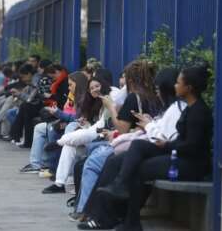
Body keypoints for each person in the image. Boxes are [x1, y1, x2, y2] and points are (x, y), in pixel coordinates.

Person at [81, 65, 213, 231]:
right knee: (137, 146)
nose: (175, 86)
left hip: (190, 164)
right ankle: (122, 197)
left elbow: (192, 146)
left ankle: (129, 219)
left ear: (189, 88)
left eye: (178, 83)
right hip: (178, 154)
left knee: (139, 168)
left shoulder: (198, 112)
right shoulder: (189, 108)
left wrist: (165, 143)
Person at [71, 68, 185, 223]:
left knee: (96, 162)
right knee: (103, 160)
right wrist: (150, 124)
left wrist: (112, 108)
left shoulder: (137, 98)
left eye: (124, 78)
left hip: (156, 148)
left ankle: (93, 211)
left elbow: (124, 129)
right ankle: (99, 212)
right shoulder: (165, 104)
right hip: (145, 144)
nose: (122, 82)